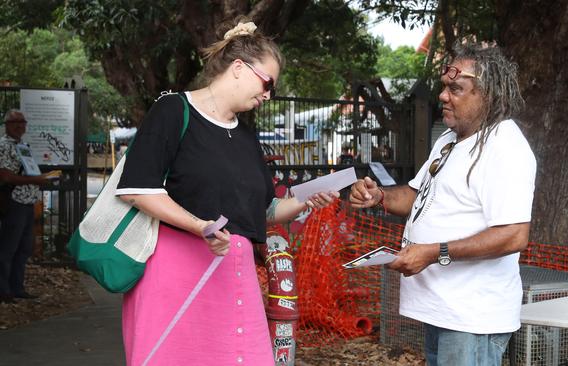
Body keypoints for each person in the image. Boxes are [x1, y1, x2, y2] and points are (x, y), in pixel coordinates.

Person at [115, 19, 339, 365]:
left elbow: (263, 211)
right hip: (174, 272)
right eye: (267, 84)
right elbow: (137, 190)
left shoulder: (246, 135)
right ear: (238, 68)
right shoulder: (174, 111)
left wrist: (305, 200)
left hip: (236, 274)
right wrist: (198, 225)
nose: (267, 95)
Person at [350, 43, 537, 365]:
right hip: (443, 308)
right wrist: (378, 196)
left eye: (456, 88)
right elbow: (417, 195)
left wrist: (433, 252)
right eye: (444, 86)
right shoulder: (450, 140)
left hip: (471, 316)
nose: (443, 95)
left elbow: (514, 235)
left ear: (488, 95)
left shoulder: (504, 146)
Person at [0, 110, 50, 304]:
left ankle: (17, 287)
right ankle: (4, 290)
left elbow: (27, 170)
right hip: (14, 201)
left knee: (24, 248)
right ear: (6, 125)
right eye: (15, 122)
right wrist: (35, 179)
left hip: (28, 202)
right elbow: (5, 176)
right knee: (8, 248)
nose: (20, 126)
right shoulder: (3, 146)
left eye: (23, 122)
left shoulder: (22, 145)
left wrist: (40, 179)